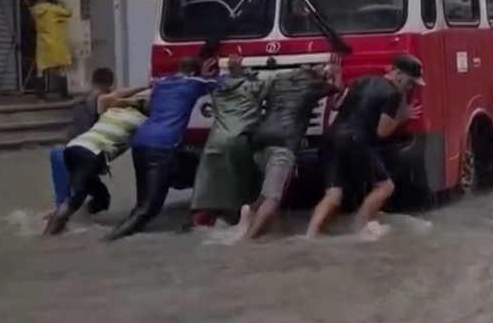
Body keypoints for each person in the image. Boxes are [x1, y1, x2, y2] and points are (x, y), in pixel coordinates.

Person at [305, 54, 424, 240]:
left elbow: (336, 104)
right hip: (355, 140)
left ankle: (309, 235)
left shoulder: (361, 80)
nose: (411, 87)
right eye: (410, 82)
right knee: (385, 186)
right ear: (398, 75)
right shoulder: (392, 94)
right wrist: (402, 117)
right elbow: (382, 132)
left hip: (331, 137)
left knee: (334, 194)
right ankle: (359, 229)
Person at [105, 55, 217, 241]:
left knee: (142, 202)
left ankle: (187, 208)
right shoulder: (193, 83)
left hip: (140, 143)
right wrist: (207, 75)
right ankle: (109, 240)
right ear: (193, 72)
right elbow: (220, 83)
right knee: (149, 209)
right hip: (162, 146)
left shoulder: (161, 83)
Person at [236, 62, 342, 241]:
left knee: (267, 190)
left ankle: (248, 216)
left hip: (260, 140)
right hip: (284, 142)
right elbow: (338, 88)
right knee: (273, 198)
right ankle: (248, 241)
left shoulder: (278, 81)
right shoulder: (312, 85)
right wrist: (336, 73)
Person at [45, 68, 144, 218]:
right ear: (110, 84)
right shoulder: (99, 98)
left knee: (94, 198)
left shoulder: (80, 100)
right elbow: (114, 96)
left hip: (65, 151)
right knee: (80, 200)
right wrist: (146, 86)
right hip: (80, 154)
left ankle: (69, 217)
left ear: (92, 81)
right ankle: (67, 220)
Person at [43, 99, 148, 236]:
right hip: (91, 154)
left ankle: (77, 219)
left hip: (71, 149)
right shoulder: (142, 122)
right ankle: (47, 236)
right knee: (74, 201)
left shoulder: (112, 112)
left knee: (102, 198)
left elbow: (109, 97)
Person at [190, 53, 271, 227]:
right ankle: (239, 217)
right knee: (242, 189)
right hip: (238, 142)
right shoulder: (252, 88)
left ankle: (205, 220)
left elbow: (206, 83)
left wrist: (205, 73)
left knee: (209, 191)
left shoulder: (217, 90)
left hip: (215, 143)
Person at [31, 0, 73, 100]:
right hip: (55, 41)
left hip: (42, 42)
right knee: (59, 68)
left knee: (41, 69)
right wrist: (63, 3)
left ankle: (40, 95)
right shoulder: (53, 9)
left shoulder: (36, 10)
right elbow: (69, 12)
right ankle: (64, 93)